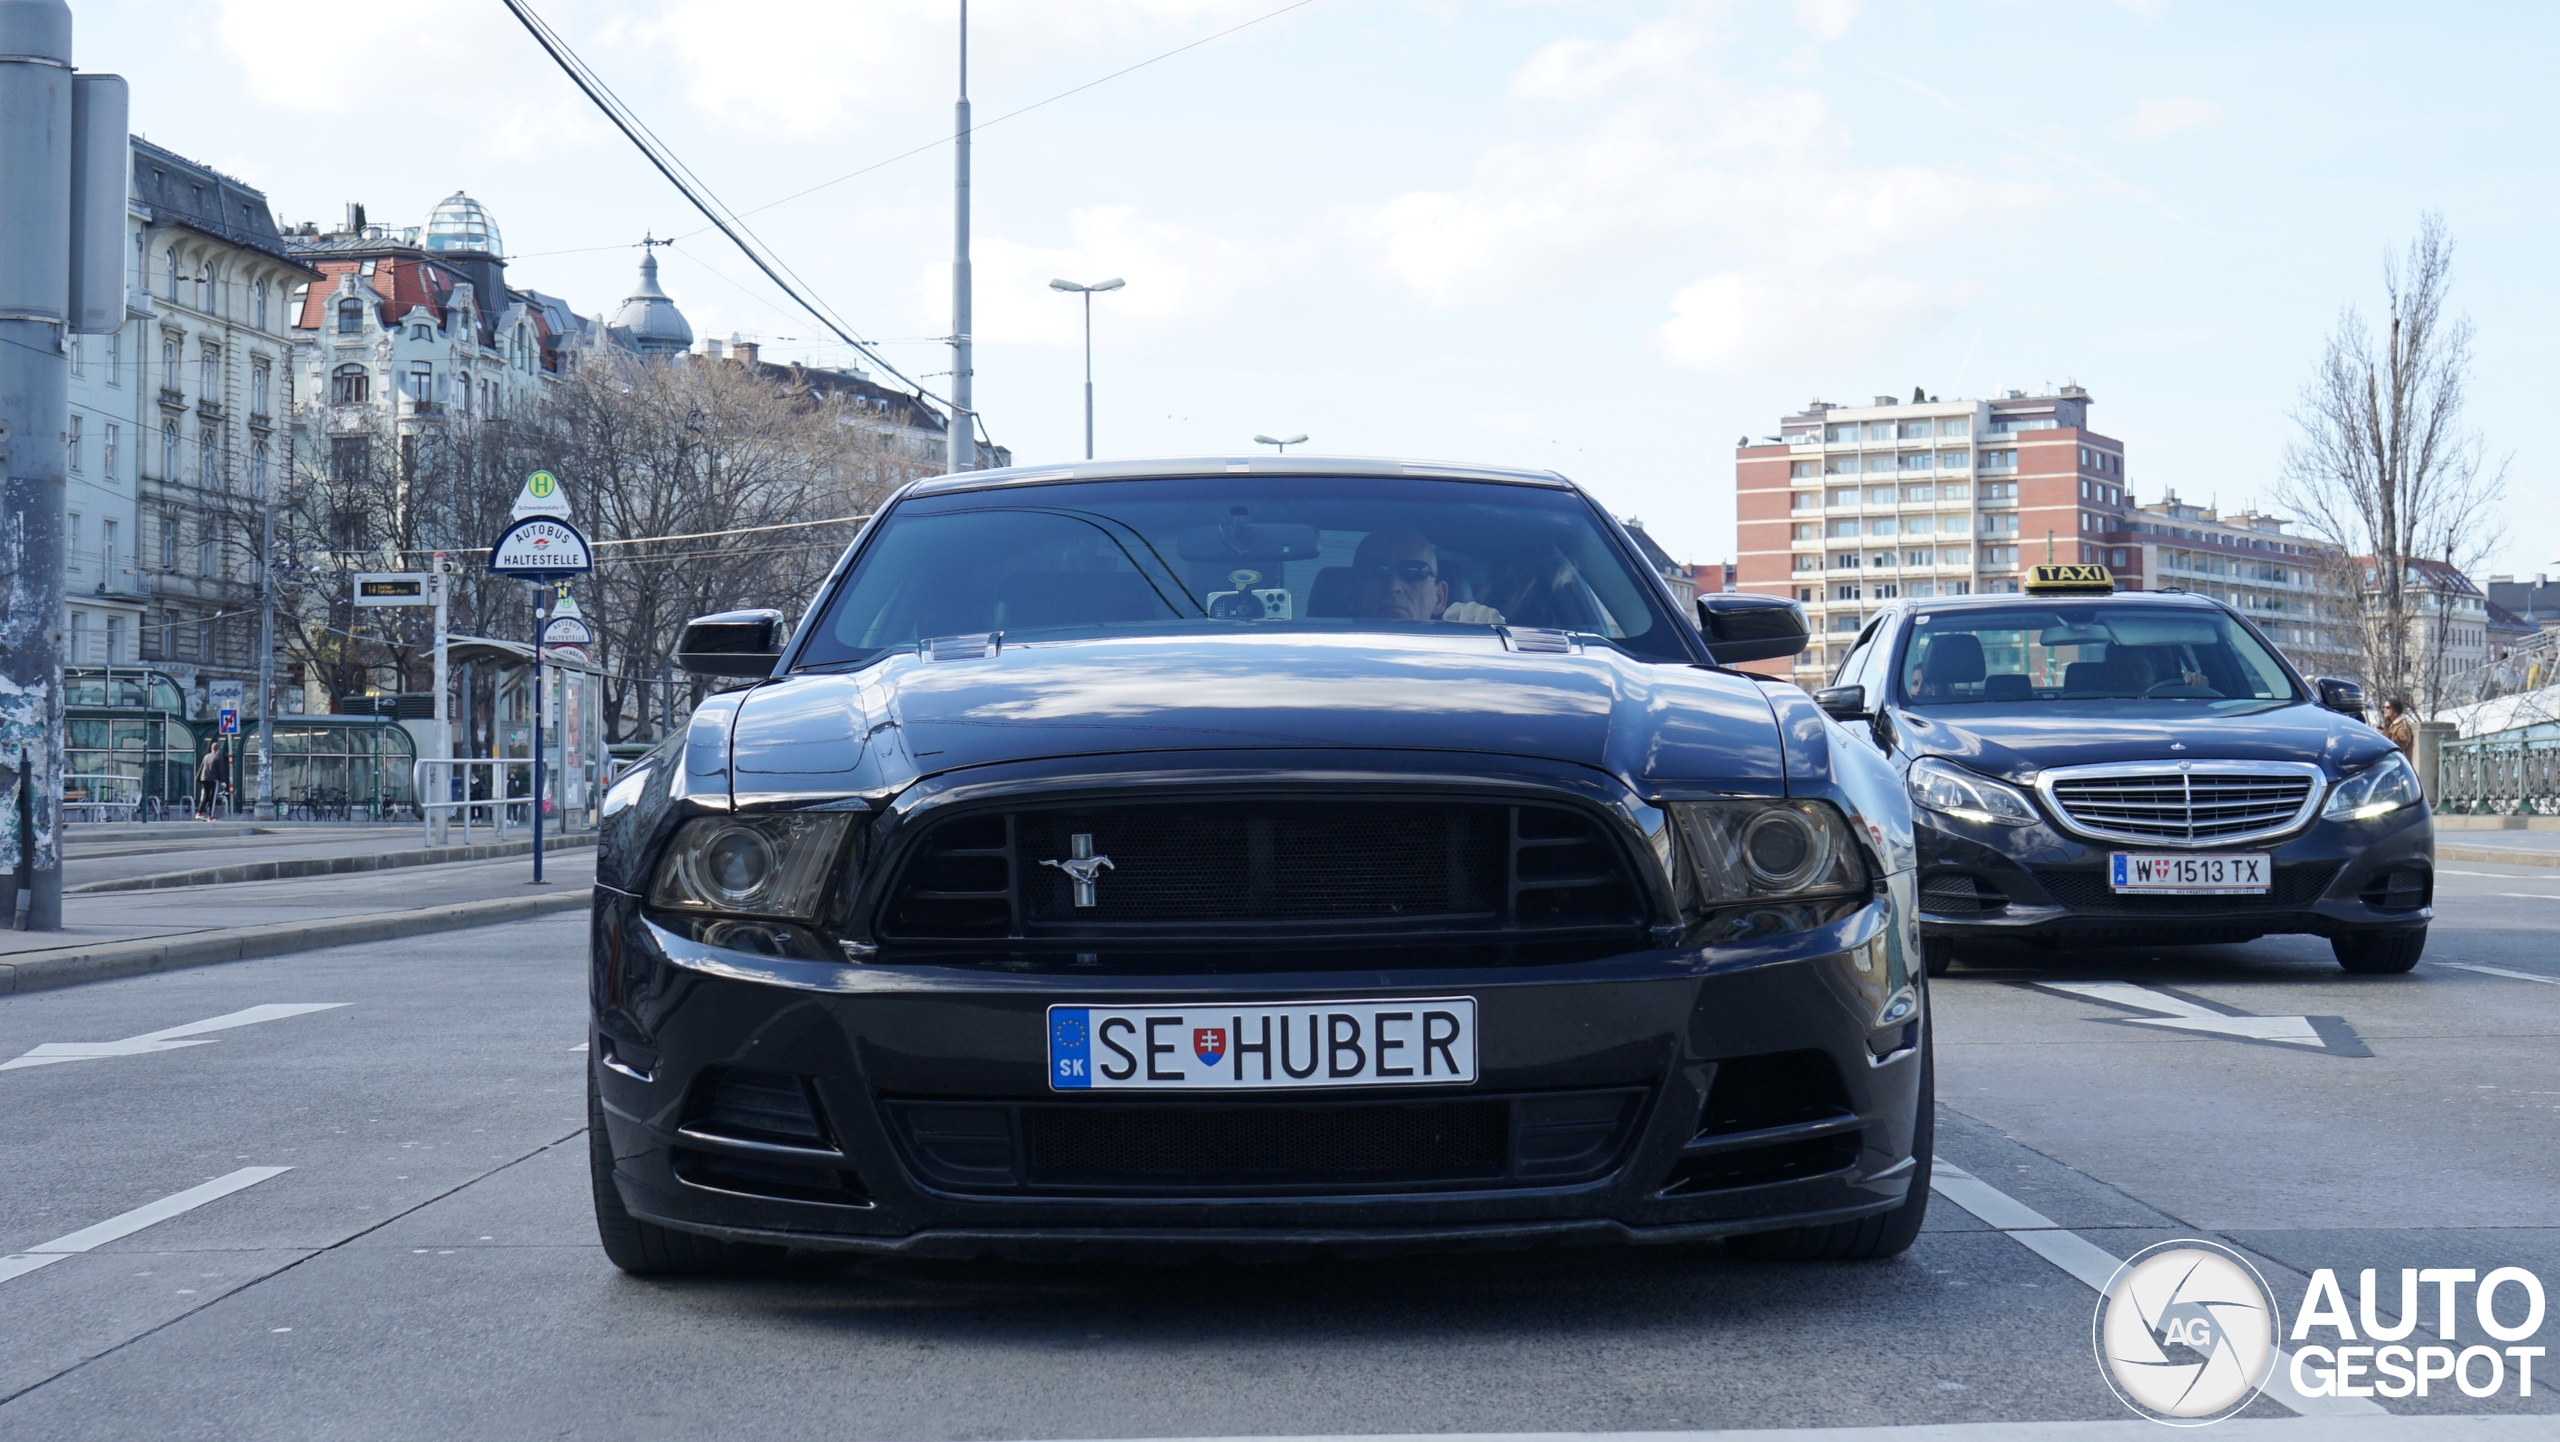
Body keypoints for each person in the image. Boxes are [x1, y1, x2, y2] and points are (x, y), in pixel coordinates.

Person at [1346, 527, 1504, 624]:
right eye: (1376, 571)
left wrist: (1483, 634)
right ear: (1352, 593)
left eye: (1413, 571)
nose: (1393, 586)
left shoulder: (1460, 655)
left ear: (1440, 598)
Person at [195, 743, 231, 819]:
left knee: (205, 796)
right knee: (212, 798)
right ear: (218, 750)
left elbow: (201, 767)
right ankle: (210, 816)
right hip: (213, 779)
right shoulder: (217, 757)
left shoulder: (206, 756)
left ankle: (199, 813)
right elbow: (220, 770)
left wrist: (198, 778)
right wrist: (223, 781)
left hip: (204, 778)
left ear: (211, 749)